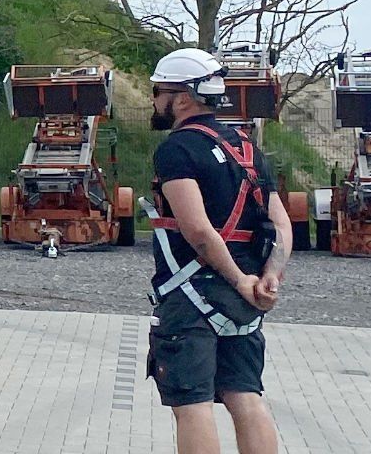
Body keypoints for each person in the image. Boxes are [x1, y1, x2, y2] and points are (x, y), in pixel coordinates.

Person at [144, 48, 293, 454]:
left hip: (193, 294)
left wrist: (240, 279)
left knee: (191, 406)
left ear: (184, 97)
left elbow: (199, 232)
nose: (155, 99)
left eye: (160, 91)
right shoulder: (247, 148)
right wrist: (268, 279)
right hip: (244, 300)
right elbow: (282, 225)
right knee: (245, 396)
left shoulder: (177, 150)